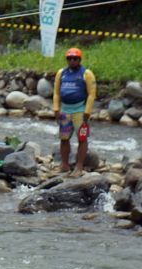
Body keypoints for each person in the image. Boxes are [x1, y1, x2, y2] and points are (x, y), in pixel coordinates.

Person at [52, 47, 97, 177]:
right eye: (69, 58)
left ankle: (79, 166)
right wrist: (56, 108)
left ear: (79, 59)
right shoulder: (62, 73)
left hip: (79, 110)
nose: (72, 61)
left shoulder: (86, 73)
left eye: (75, 59)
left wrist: (87, 111)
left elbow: (91, 94)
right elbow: (56, 92)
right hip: (65, 110)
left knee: (82, 138)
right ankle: (64, 165)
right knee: (64, 138)